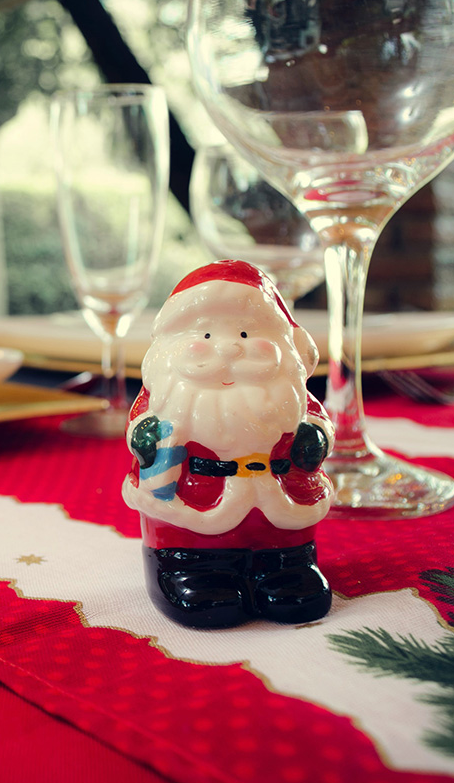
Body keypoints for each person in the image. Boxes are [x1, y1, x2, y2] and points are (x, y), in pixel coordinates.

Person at [123, 260, 334, 628]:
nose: (228, 349)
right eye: (205, 336)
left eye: (245, 334)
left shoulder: (290, 393)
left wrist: (314, 437)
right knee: (198, 562)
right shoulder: (169, 394)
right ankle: (191, 571)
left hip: (280, 504)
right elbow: (143, 425)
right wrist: (144, 437)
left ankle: (285, 570)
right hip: (192, 510)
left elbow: (315, 419)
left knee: (288, 567)